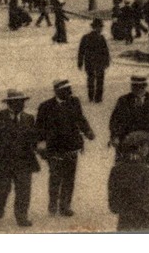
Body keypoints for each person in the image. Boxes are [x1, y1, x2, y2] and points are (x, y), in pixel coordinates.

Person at [36, 79, 95, 218]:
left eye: (70, 90)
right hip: (54, 148)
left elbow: (80, 119)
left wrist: (88, 131)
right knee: (55, 176)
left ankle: (65, 206)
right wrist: (40, 144)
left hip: (71, 147)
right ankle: (52, 204)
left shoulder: (74, 102)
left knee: (69, 177)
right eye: (66, 90)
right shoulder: (45, 106)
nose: (70, 93)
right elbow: (39, 128)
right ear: (57, 91)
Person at [0, 89, 40, 227]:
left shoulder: (29, 119)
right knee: (1, 190)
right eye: (17, 102)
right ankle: (0, 205)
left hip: (23, 162)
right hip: (2, 163)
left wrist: (40, 148)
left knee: (24, 191)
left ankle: (21, 216)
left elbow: (34, 140)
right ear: (10, 104)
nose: (21, 105)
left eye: (22, 102)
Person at [109, 75, 149, 178]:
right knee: (126, 174)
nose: (137, 90)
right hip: (127, 144)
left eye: (141, 87)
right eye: (134, 87)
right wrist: (115, 136)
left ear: (145, 87)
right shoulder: (123, 100)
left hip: (148, 144)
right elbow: (115, 121)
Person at [107, 131, 149, 231]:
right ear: (140, 148)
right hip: (142, 220)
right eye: (146, 146)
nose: (148, 149)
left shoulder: (116, 169)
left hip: (124, 220)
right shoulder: (146, 170)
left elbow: (113, 200)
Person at [78, 18, 111, 103]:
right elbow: (81, 51)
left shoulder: (90, 37)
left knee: (95, 80)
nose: (101, 29)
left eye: (101, 27)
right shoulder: (92, 37)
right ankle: (94, 97)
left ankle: (94, 97)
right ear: (95, 27)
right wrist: (80, 62)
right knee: (95, 80)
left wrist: (80, 62)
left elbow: (105, 51)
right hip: (95, 62)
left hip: (94, 62)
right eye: (99, 27)